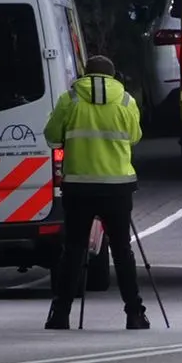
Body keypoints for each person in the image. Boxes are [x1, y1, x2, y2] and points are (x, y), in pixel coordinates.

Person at [44, 56, 148, 331]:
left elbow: (51, 135)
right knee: (122, 250)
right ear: (113, 77)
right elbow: (135, 136)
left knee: (74, 250)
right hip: (117, 186)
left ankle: (60, 313)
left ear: (86, 74)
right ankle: (135, 313)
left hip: (79, 186)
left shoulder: (70, 100)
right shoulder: (126, 101)